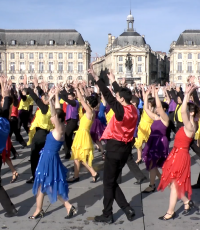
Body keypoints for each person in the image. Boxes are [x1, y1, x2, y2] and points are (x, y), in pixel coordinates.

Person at [89, 66, 138, 224]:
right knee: (112, 181)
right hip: (125, 150)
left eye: (119, 98)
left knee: (108, 183)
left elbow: (108, 96)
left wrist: (97, 79)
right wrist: (114, 81)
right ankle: (126, 208)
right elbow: (119, 95)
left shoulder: (120, 110)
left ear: (121, 100)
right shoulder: (133, 109)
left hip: (115, 149)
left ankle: (107, 214)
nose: (117, 99)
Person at [29, 86, 77, 219]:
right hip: (48, 157)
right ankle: (39, 210)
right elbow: (57, 110)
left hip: (49, 159)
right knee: (42, 185)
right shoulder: (61, 126)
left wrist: (49, 100)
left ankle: (68, 206)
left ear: (57, 119)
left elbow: (54, 113)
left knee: (50, 185)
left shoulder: (59, 128)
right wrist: (55, 96)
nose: (51, 118)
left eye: (53, 117)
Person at [158, 83, 200, 220]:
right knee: (172, 183)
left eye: (188, 111)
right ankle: (187, 201)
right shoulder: (188, 124)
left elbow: (183, 112)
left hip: (181, 155)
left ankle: (170, 212)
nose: (185, 112)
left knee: (175, 185)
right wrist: (186, 95)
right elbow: (183, 111)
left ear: (192, 113)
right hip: (176, 153)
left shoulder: (190, 125)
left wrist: (187, 94)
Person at [67, 83, 100, 183]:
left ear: (89, 104)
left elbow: (82, 99)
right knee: (77, 156)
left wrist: (76, 88)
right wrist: (81, 89)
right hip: (82, 134)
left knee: (80, 156)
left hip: (82, 134)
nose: (86, 102)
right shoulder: (92, 112)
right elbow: (84, 98)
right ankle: (76, 176)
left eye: (87, 102)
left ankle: (93, 172)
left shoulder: (89, 112)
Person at [141, 86, 169, 193]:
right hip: (152, 141)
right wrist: (147, 94)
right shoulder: (156, 118)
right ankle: (162, 178)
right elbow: (146, 109)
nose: (156, 109)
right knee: (152, 163)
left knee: (153, 163)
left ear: (164, 109)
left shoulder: (165, 119)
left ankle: (152, 185)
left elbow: (159, 106)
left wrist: (156, 93)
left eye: (159, 108)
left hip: (160, 142)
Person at [0, 76, 18, 217]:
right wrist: (5, 96)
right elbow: (5, 111)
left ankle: (10, 209)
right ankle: (10, 208)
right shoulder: (5, 123)